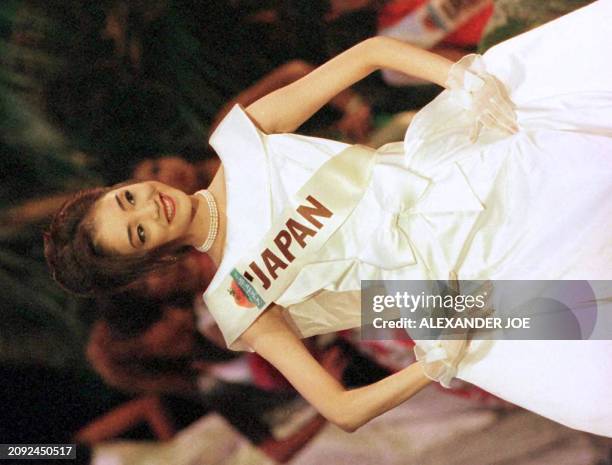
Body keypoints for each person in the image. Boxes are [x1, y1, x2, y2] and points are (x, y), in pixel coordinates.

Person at [44, 0, 612, 438]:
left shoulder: (239, 142)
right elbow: (341, 408)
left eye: (126, 199)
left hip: (457, 178)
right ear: (151, 259)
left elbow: (368, 54)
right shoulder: (236, 304)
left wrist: (456, 80)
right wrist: (435, 360)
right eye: (138, 232)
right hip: (456, 290)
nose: (148, 207)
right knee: (589, 362)